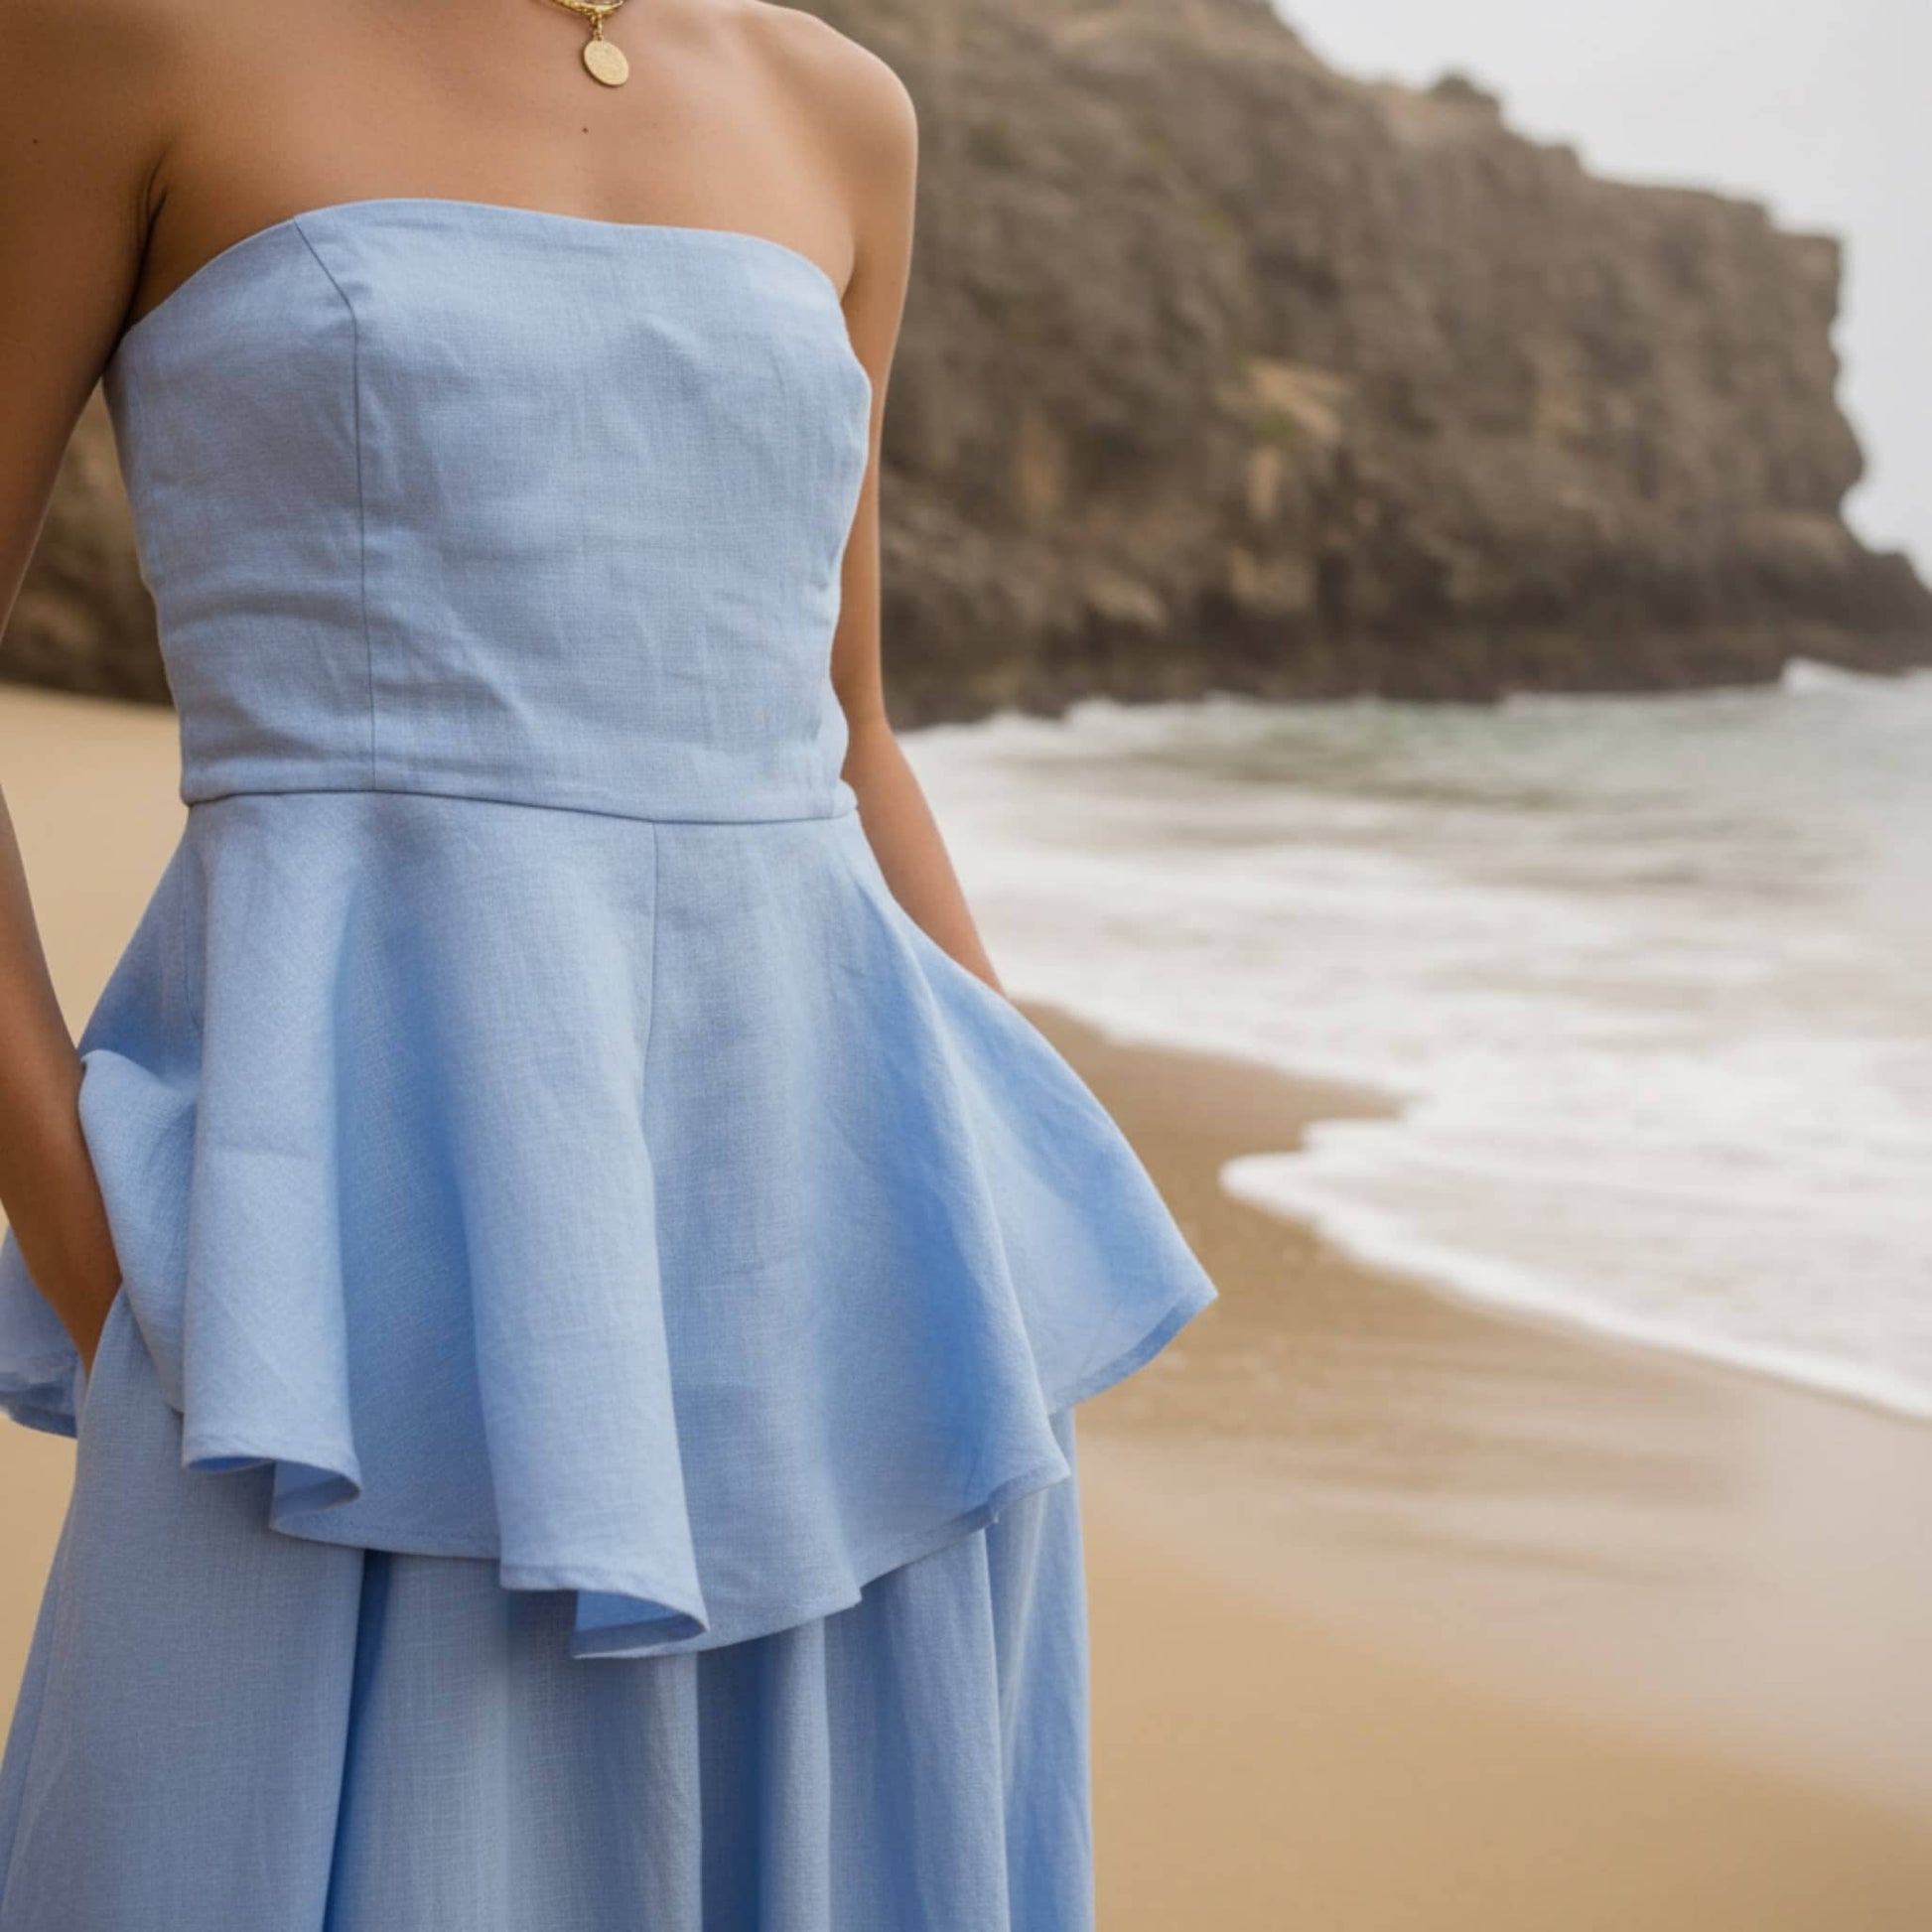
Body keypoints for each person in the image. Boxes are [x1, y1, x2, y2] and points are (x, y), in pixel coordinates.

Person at [0, 0, 1218, 1924]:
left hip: (836, 1274)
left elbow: (845, 730)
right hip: (325, 1297)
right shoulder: (131, 39)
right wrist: (104, 1269)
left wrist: (1002, 1214)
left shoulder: (841, 113)